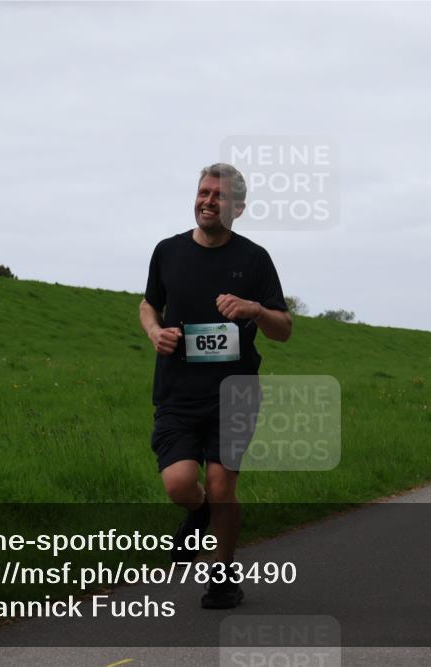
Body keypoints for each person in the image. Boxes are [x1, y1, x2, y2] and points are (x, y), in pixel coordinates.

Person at [140, 163, 291, 610]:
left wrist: (253, 309)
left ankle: (223, 578)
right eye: (203, 192)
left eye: (218, 196)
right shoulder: (167, 251)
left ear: (238, 208)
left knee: (223, 485)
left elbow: (283, 328)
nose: (207, 201)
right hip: (177, 393)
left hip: (235, 394)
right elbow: (149, 304)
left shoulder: (255, 259)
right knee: (180, 485)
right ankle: (199, 511)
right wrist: (154, 332)